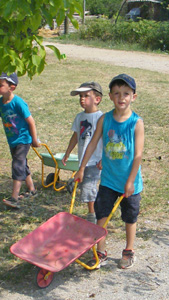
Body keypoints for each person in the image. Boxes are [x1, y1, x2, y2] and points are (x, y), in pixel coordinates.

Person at [73, 74, 144, 270]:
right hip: (108, 181)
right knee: (101, 215)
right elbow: (92, 143)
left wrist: (130, 182)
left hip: (130, 182)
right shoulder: (104, 120)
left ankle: (129, 250)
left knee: (130, 217)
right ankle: (101, 252)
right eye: (117, 94)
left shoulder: (136, 123)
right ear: (111, 97)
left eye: (126, 94)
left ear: (133, 97)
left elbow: (138, 155)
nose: (122, 98)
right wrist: (81, 168)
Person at [0, 72, 41, 209]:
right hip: (12, 140)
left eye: (0, 85)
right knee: (22, 163)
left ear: (11, 87)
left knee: (17, 165)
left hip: (23, 139)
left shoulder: (18, 103)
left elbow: (31, 122)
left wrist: (34, 140)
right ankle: (32, 189)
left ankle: (14, 198)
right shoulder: (0, 103)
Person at [62, 81, 104, 224]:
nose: (82, 99)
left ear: (97, 99)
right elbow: (75, 136)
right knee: (85, 182)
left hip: (95, 160)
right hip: (83, 160)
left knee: (89, 187)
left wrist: (104, 158)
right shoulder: (80, 117)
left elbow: (107, 140)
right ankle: (74, 183)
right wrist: (68, 152)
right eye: (80, 96)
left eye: (86, 95)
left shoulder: (101, 118)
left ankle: (92, 215)